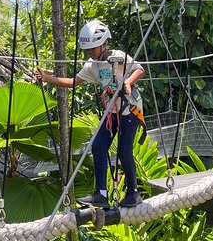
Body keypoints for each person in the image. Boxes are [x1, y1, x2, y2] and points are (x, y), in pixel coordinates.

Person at [35, 20, 145, 208]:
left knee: (124, 151)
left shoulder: (118, 57)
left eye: (93, 48)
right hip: (112, 112)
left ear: (103, 43)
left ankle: (133, 193)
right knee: (98, 147)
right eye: (87, 49)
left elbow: (139, 69)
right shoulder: (91, 66)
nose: (90, 52)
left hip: (130, 110)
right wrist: (48, 78)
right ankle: (100, 194)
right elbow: (73, 82)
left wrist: (127, 82)